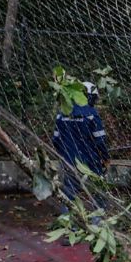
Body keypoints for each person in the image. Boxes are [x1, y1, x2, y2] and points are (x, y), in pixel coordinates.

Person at [52, 82, 109, 216]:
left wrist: (64, 154)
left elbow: (55, 140)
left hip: (68, 159)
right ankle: (98, 221)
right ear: (89, 97)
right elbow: (100, 140)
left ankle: (67, 221)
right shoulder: (91, 114)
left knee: (69, 192)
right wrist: (106, 158)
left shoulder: (62, 113)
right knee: (98, 190)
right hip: (91, 160)